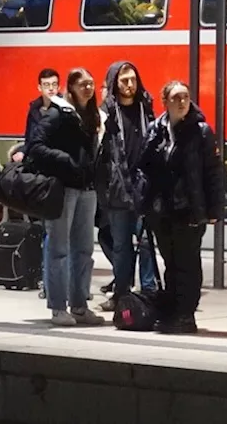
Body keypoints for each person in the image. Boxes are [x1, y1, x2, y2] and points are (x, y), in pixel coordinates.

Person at [140, 81, 222, 334]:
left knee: (188, 263)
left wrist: (214, 210)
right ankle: (172, 311)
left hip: (189, 208)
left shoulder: (201, 131)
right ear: (165, 101)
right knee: (171, 262)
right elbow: (146, 168)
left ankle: (186, 314)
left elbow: (213, 172)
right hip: (162, 209)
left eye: (185, 97)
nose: (182, 102)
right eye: (176, 97)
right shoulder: (156, 130)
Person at [28, 68, 106, 327]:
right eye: (83, 84)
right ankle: (58, 307)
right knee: (59, 248)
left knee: (84, 249)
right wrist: (66, 161)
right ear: (70, 87)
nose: (88, 89)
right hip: (64, 189)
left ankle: (80, 305)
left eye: (91, 84)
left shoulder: (92, 114)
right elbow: (35, 146)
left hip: (87, 189)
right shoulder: (57, 114)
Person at [95, 60, 160, 310]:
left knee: (145, 242)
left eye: (133, 79)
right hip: (118, 188)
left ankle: (148, 290)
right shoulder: (107, 113)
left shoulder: (146, 107)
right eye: (124, 81)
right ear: (115, 83)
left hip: (143, 186)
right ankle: (121, 293)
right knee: (121, 244)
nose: (130, 85)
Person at [14, 69, 60, 163]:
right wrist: (23, 152)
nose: (51, 88)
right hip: (35, 159)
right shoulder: (34, 110)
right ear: (40, 87)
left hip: (57, 159)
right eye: (46, 85)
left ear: (58, 87)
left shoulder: (65, 109)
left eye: (54, 84)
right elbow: (29, 138)